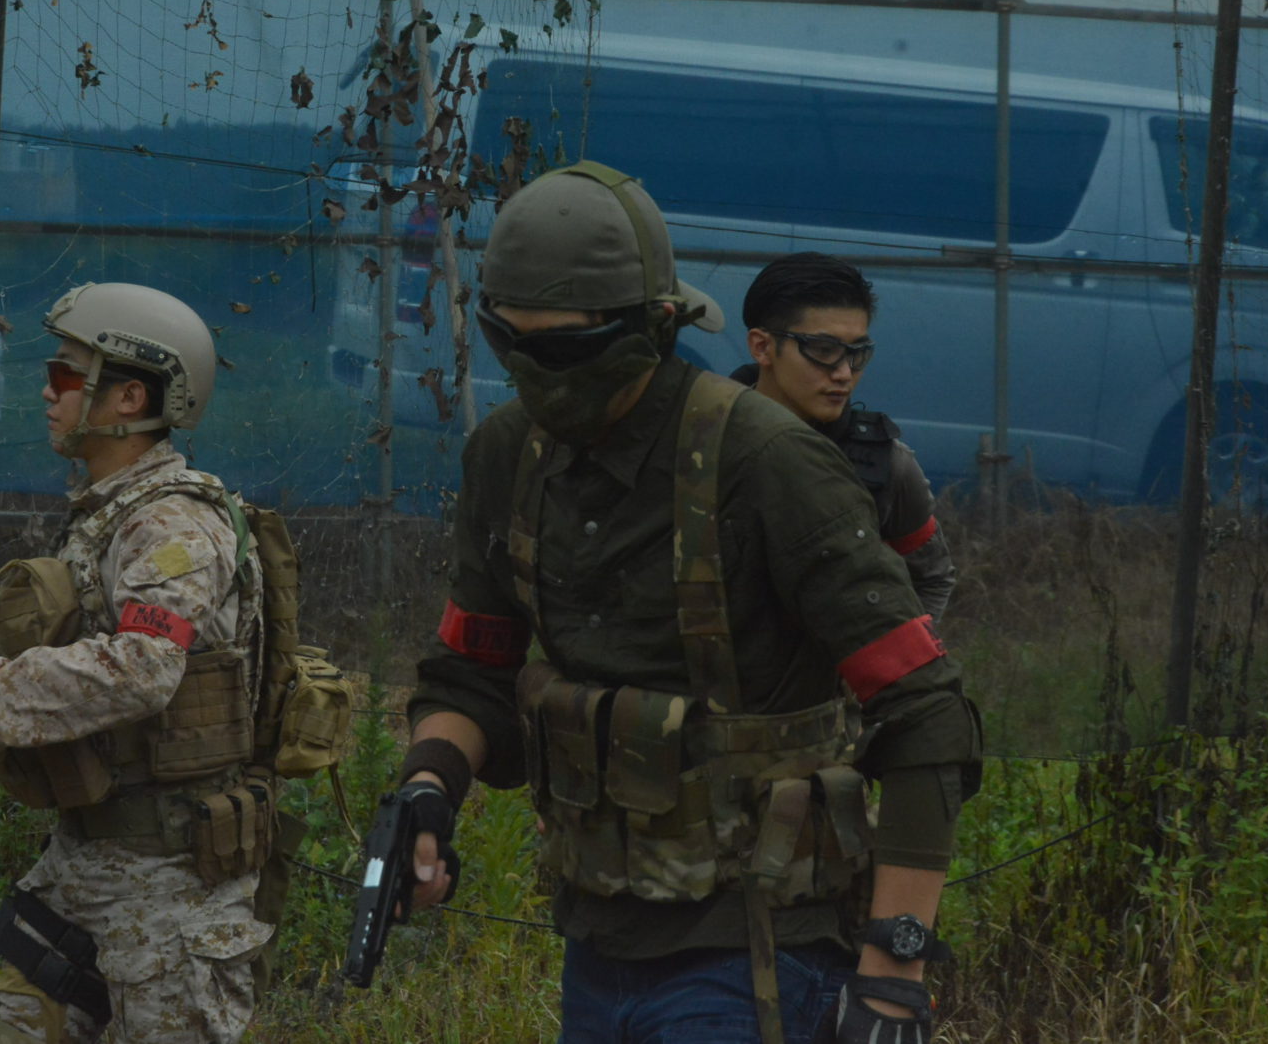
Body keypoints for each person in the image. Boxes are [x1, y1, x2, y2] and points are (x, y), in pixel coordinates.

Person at [391, 162, 981, 1044]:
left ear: (654, 326)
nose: (540, 376)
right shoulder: (510, 454)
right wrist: (428, 788)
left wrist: (894, 976)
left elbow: (925, 711)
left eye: (569, 349)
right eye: (513, 345)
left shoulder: (768, 462)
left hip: (761, 950)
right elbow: (472, 668)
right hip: (599, 937)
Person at [0, 282, 272, 1044]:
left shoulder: (173, 525)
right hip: (87, 865)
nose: (48, 392)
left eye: (66, 375)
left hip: (167, 889)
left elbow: (143, 667)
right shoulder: (113, 513)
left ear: (128, 398)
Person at [729, 253, 956, 620]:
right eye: (823, 350)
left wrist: (897, 653)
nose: (844, 373)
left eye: (857, 352)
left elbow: (931, 579)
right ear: (762, 347)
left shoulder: (885, 465)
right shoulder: (700, 443)